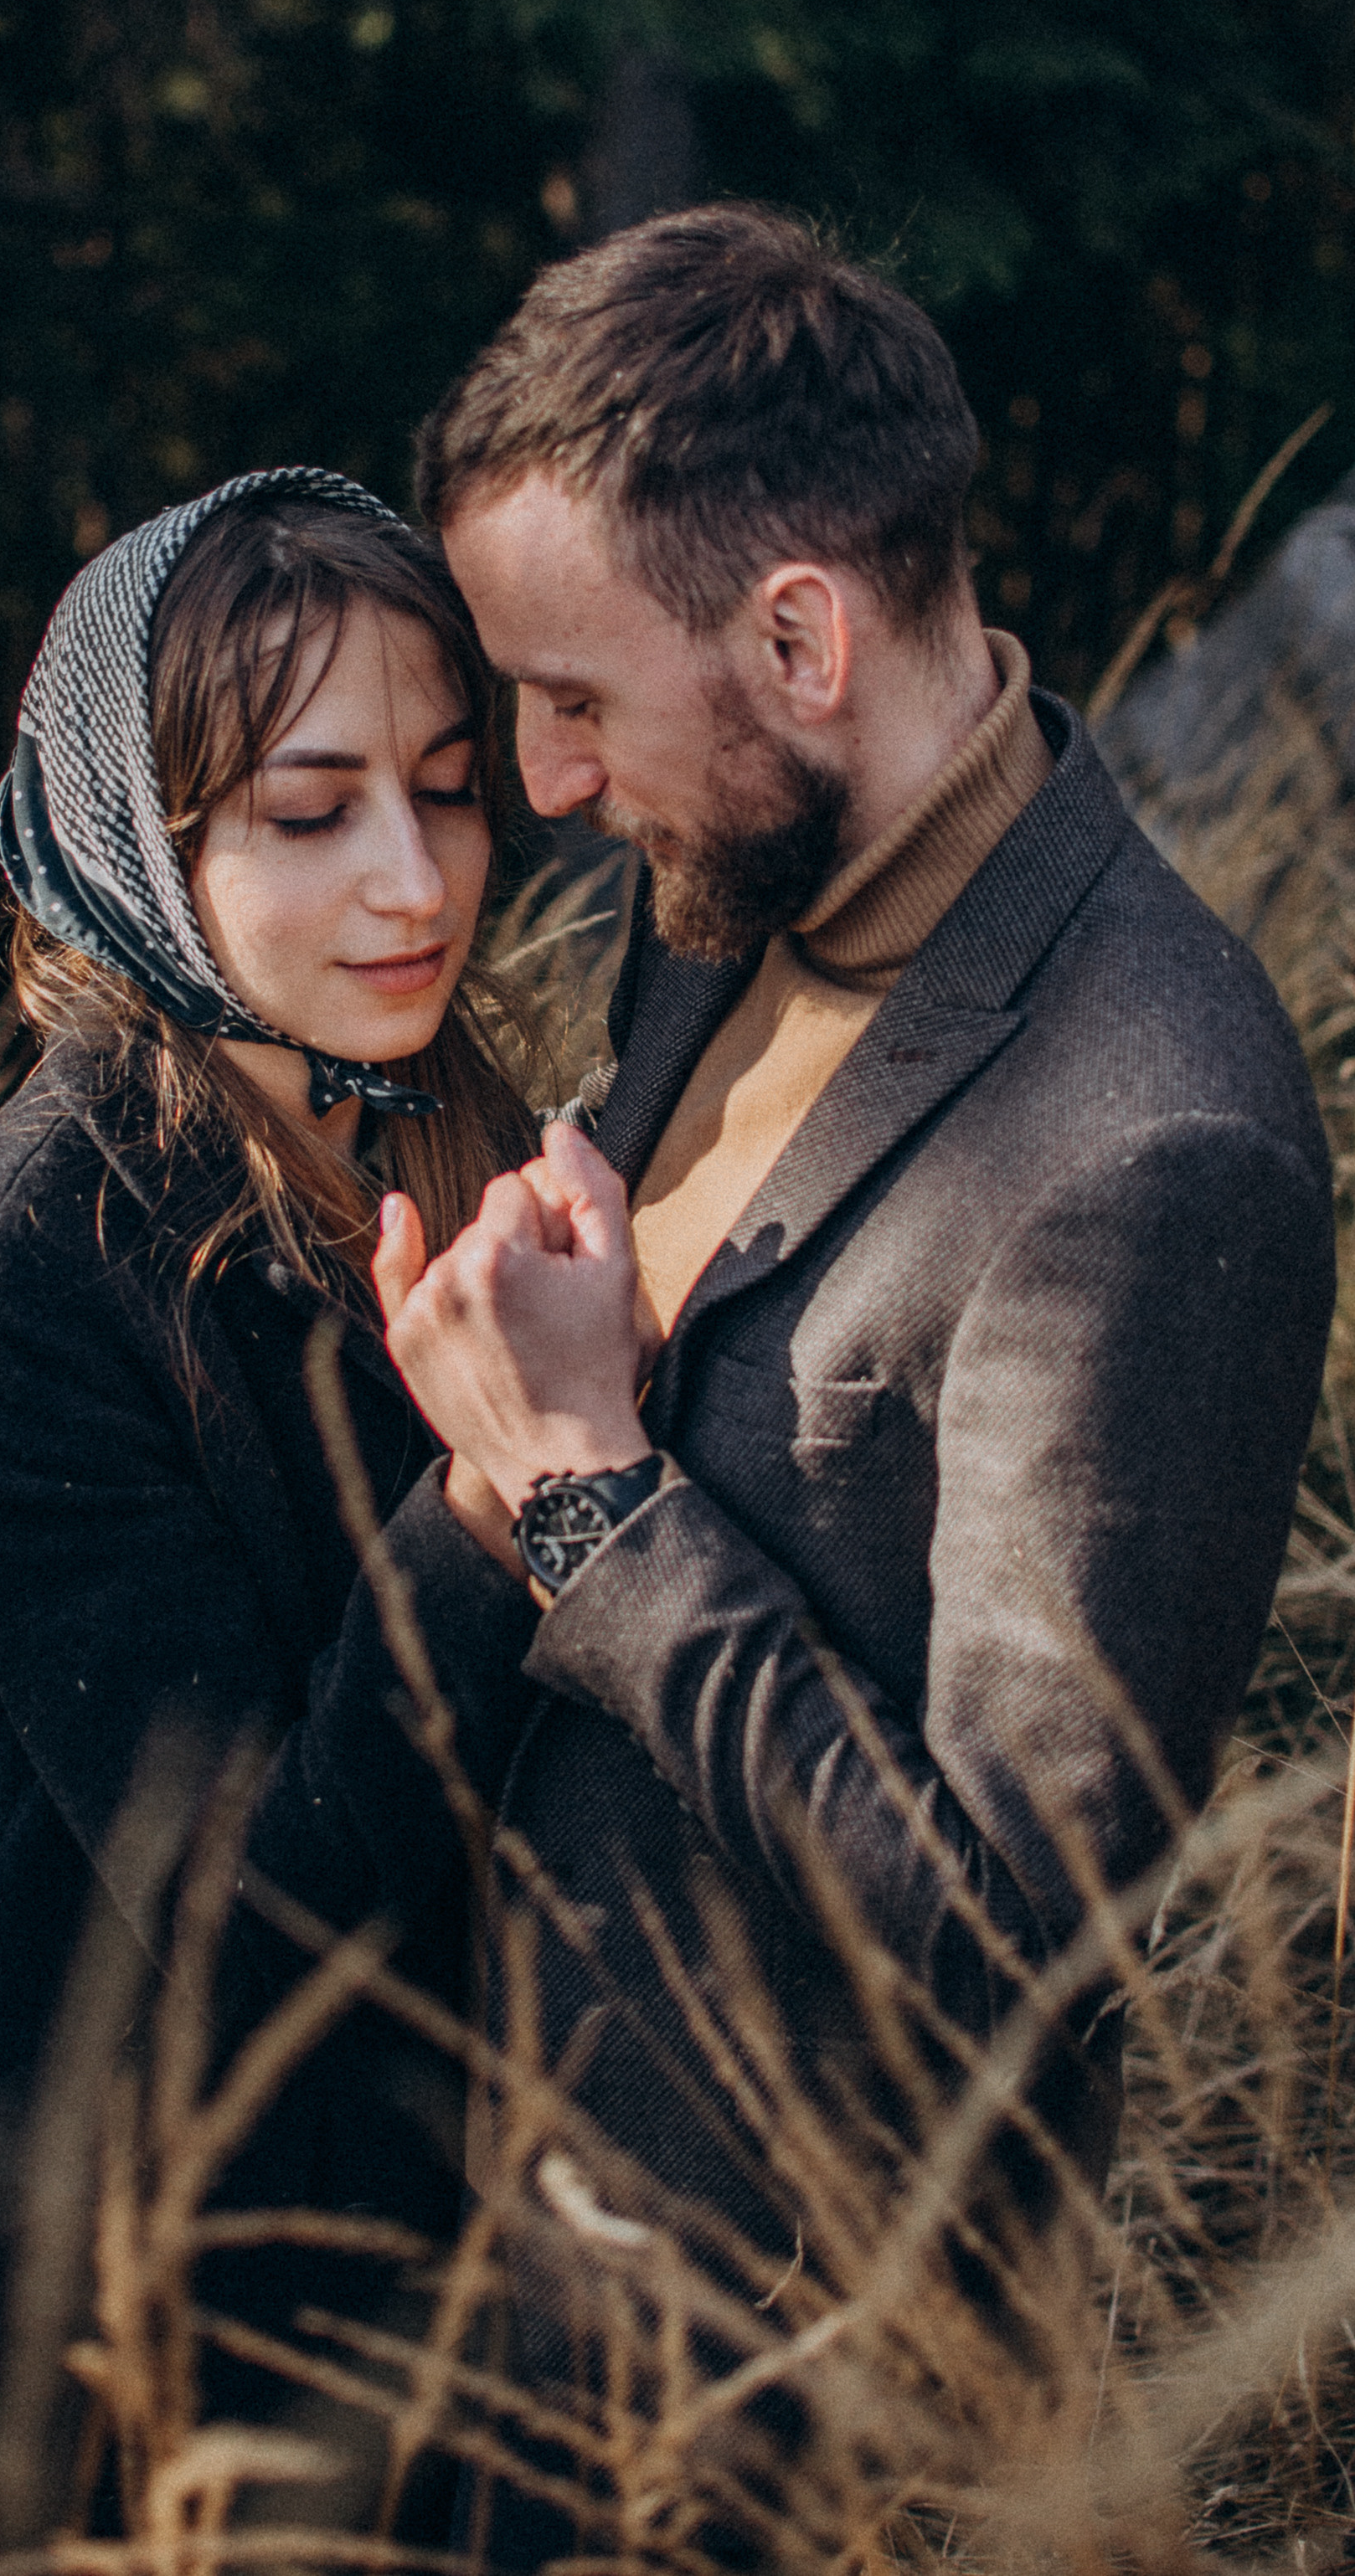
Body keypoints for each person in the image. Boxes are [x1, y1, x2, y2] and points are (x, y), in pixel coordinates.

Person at [359, 206, 1338, 2558]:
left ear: (796, 631)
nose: (550, 786)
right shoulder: (724, 909)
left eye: (574, 700)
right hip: (480, 2293)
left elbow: (1017, 1938)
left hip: (781, 2425)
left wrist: (587, 1493)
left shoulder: (1151, 1134)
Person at [0, 470, 544, 2555]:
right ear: (136, 847)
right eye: (308, 806)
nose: (411, 873)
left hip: (450, 2286)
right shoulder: (28, 1253)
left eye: (446, 787)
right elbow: (244, 1910)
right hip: (132, 2349)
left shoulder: (454, 1120)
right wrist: (504, 1496)